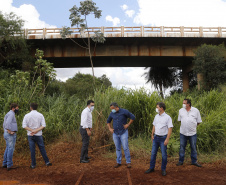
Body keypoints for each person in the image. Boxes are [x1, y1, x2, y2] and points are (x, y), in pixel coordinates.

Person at [145, 102, 173, 176]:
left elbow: (170, 129)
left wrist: (167, 139)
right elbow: (154, 125)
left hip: (163, 138)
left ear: (162, 108)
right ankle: (151, 168)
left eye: (157, 107)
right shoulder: (156, 116)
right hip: (156, 137)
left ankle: (163, 169)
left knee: (164, 155)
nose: (156, 108)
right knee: (153, 153)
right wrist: (152, 135)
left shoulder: (168, 117)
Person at [22, 103, 52, 169]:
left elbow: (24, 126)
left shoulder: (27, 115)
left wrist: (32, 130)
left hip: (30, 135)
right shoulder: (40, 115)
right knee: (42, 148)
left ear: (31, 107)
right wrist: (36, 131)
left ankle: (33, 165)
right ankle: (47, 162)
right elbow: (43, 125)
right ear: (36, 107)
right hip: (38, 135)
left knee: (32, 150)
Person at [107, 102, 135, 168]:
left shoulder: (124, 111)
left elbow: (133, 117)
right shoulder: (112, 113)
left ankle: (128, 162)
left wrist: (128, 124)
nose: (112, 110)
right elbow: (108, 121)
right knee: (118, 148)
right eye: (111, 109)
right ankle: (118, 162)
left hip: (123, 132)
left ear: (116, 107)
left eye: (113, 109)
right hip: (115, 133)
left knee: (125, 147)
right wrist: (110, 128)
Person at [177, 99, 202, 167]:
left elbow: (198, 121)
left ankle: (194, 161)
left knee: (193, 147)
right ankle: (180, 161)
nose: (183, 104)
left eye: (184, 103)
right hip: (183, 132)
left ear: (188, 104)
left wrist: (193, 126)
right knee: (182, 147)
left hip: (192, 133)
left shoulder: (196, 111)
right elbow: (180, 120)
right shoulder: (181, 110)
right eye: (183, 103)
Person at [2, 103, 19, 171]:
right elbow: (7, 123)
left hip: (6, 133)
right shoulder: (11, 114)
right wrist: (9, 131)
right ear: (13, 108)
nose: (18, 109)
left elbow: (5, 124)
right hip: (10, 134)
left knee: (8, 148)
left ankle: (5, 163)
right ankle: (9, 165)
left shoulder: (9, 114)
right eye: (17, 108)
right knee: (11, 149)